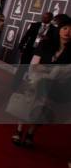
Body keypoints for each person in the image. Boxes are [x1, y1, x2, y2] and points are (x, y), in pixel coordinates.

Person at [11, 14, 71, 147]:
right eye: (65, 28)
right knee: (26, 106)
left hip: (53, 87)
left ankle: (31, 133)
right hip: (35, 81)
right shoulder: (46, 44)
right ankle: (19, 130)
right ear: (59, 29)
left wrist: (49, 72)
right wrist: (49, 72)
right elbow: (35, 65)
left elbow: (67, 73)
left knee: (42, 111)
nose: (68, 32)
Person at [12, 12, 56, 89]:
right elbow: (26, 36)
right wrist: (21, 46)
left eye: (46, 17)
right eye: (43, 17)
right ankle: (15, 85)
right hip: (29, 50)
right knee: (22, 68)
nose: (44, 18)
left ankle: (31, 89)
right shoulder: (35, 25)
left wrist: (48, 39)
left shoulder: (54, 29)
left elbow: (54, 42)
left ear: (51, 19)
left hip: (41, 53)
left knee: (36, 72)